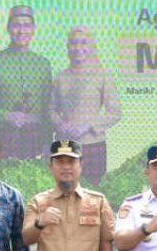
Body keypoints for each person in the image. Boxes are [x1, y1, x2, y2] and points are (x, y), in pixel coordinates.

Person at [0, 4, 54, 159]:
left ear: (34, 29)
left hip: (35, 141)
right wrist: (5, 116)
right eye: (16, 25)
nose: (21, 31)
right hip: (2, 139)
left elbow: (49, 107)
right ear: (8, 28)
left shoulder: (43, 64)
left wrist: (48, 144)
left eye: (27, 26)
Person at [50, 26, 121, 184]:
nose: (78, 48)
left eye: (84, 43)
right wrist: (60, 124)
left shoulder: (102, 75)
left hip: (93, 147)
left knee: (91, 197)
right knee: (64, 194)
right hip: (65, 146)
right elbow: (51, 110)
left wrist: (87, 125)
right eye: (73, 44)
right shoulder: (60, 77)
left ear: (91, 47)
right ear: (68, 48)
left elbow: (115, 112)